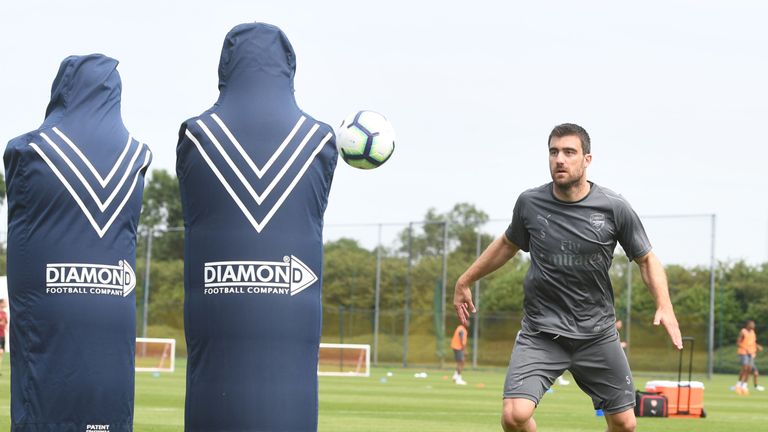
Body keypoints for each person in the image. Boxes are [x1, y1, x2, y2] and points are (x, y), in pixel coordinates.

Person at [454, 123, 682, 432]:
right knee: (514, 416)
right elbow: (508, 244)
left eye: (569, 152)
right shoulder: (529, 203)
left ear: (587, 159)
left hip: (597, 334)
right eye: (554, 152)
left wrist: (664, 305)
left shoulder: (614, 207)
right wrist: (464, 280)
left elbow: (646, 259)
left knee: (625, 424)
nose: (560, 159)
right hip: (541, 332)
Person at [735, 320, 763, 394]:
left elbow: (753, 342)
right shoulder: (743, 332)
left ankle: (744, 385)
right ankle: (738, 385)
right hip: (744, 353)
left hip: (751, 353)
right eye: (752, 324)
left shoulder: (753, 332)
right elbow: (738, 342)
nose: (753, 325)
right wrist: (745, 348)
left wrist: (757, 346)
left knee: (749, 369)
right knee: (745, 367)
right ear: (748, 325)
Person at [0, 299, 6, 376]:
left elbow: (5, 324)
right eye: (4, 303)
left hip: (3, 335)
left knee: (1, 354)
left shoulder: (4, 313)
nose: (6, 304)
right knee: (0, 352)